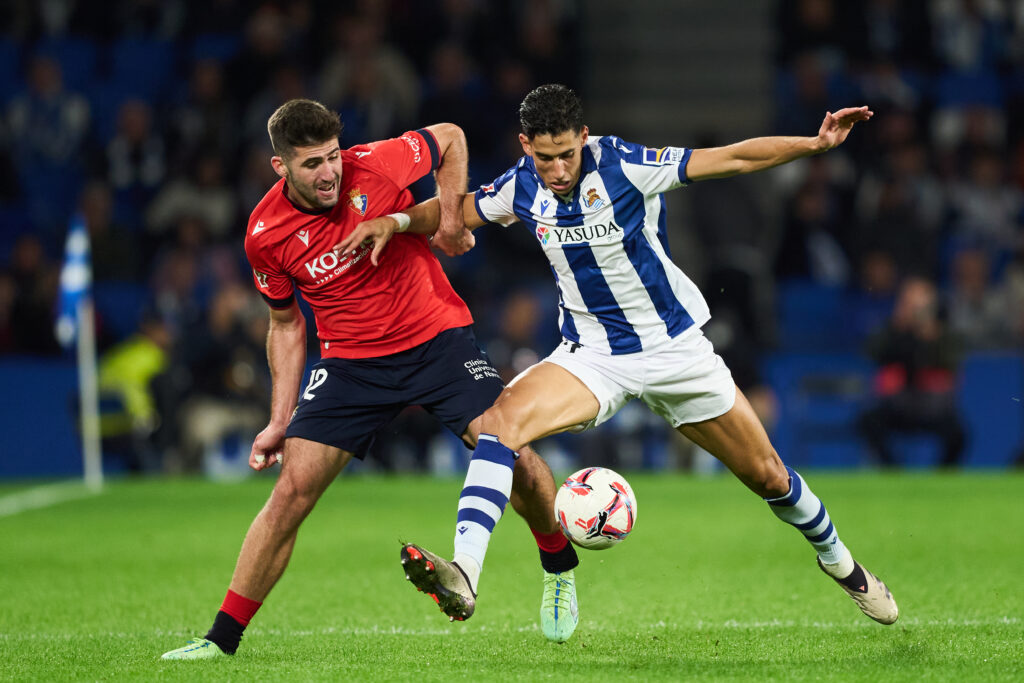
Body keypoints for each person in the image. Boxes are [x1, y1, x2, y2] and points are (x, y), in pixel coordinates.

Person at [337, 84, 899, 630]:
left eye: (568, 155)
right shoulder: (521, 185)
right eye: (546, 157)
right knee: (498, 426)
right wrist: (397, 220)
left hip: (675, 350)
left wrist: (814, 144)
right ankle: (465, 572)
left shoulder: (626, 164)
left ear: (584, 137)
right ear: (525, 145)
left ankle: (841, 564)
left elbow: (730, 158)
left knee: (769, 475)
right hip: (593, 357)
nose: (558, 170)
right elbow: (457, 209)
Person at [160, 98, 582, 660]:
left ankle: (558, 566)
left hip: (437, 340)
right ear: (280, 167)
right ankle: (221, 639)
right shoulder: (265, 234)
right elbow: (285, 325)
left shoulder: (378, 163)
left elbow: (452, 135)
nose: (330, 172)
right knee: (290, 492)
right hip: (351, 366)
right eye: (312, 164)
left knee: (513, 453)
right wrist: (277, 420)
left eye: (332, 157)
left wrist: (451, 223)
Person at [858, 276, 966, 468]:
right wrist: (898, 327)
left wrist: (931, 337)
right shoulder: (893, 331)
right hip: (898, 405)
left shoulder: (943, 334)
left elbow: (952, 362)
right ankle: (891, 471)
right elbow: (873, 352)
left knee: (958, 433)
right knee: (868, 422)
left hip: (933, 406)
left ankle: (943, 476)